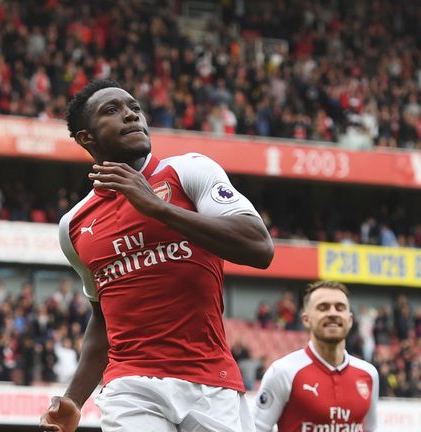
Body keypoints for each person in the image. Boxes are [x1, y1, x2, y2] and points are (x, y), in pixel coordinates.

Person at [40, 79, 274, 432]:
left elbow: (259, 247)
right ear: (87, 138)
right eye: (112, 110)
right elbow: (104, 318)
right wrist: (73, 399)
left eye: (134, 107)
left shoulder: (190, 171)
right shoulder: (73, 226)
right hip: (130, 386)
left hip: (210, 380)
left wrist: (157, 208)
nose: (131, 115)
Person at [253, 281, 378, 432]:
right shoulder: (283, 371)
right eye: (323, 307)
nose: (332, 313)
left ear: (350, 320)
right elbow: (255, 428)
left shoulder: (369, 374)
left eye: (340, 308)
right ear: (306, 319)